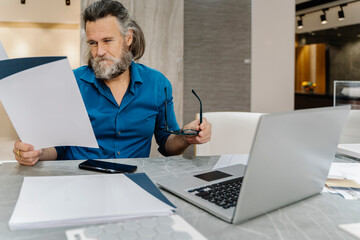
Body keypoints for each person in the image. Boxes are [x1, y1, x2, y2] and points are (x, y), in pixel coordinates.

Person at [13, 0, 211, 166]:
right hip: (78, 182)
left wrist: (185, 137)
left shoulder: (158, 84)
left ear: (128, 38)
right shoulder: (72, 82)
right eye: (93, 43)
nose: (99, 51)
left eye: (107, 40)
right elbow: (57, 148)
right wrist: (36, 152)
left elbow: (167, 143)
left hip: (133, 181)